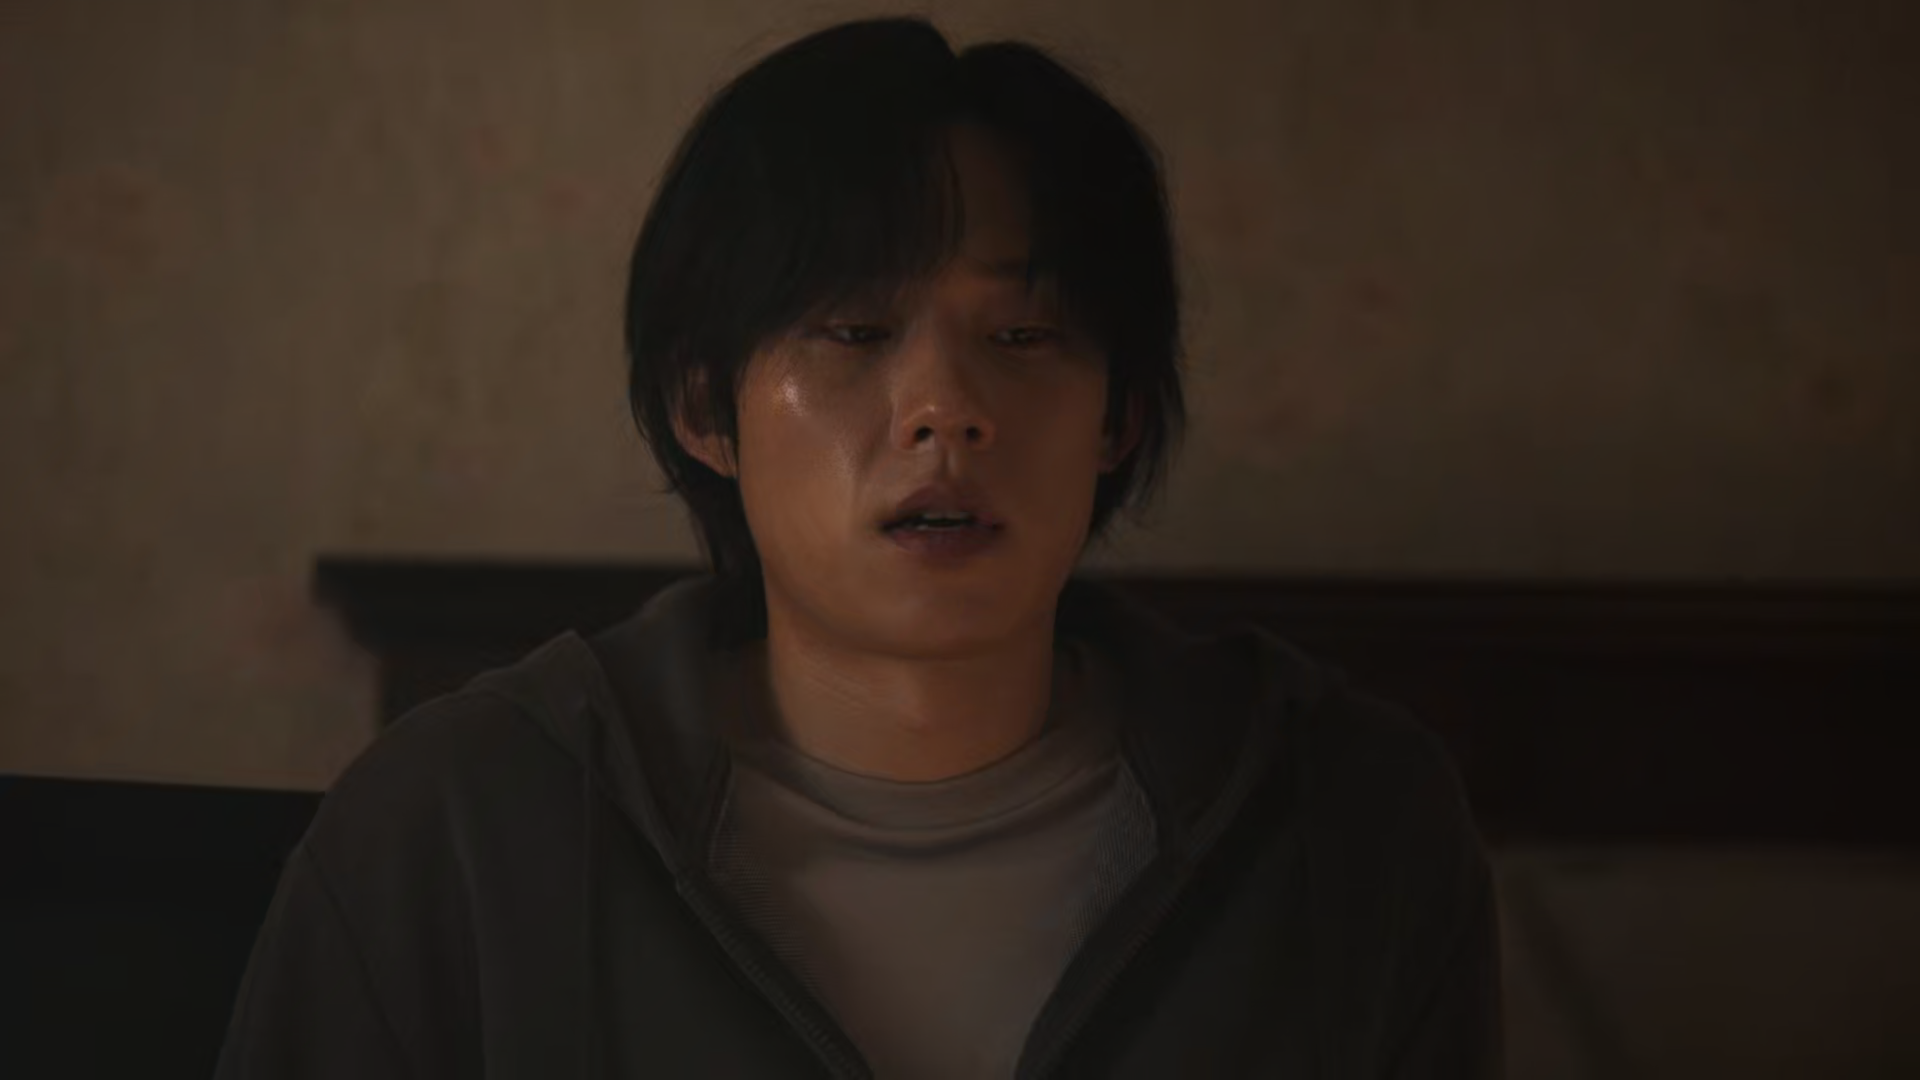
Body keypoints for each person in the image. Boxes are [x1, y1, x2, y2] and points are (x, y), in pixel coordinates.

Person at [217, 16, 1500, 1079]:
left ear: (1118, 417)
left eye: (1024, 335)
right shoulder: (457, 829)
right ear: (705, 408)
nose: (946, 408)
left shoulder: (1348, 823)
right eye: (853, 330)